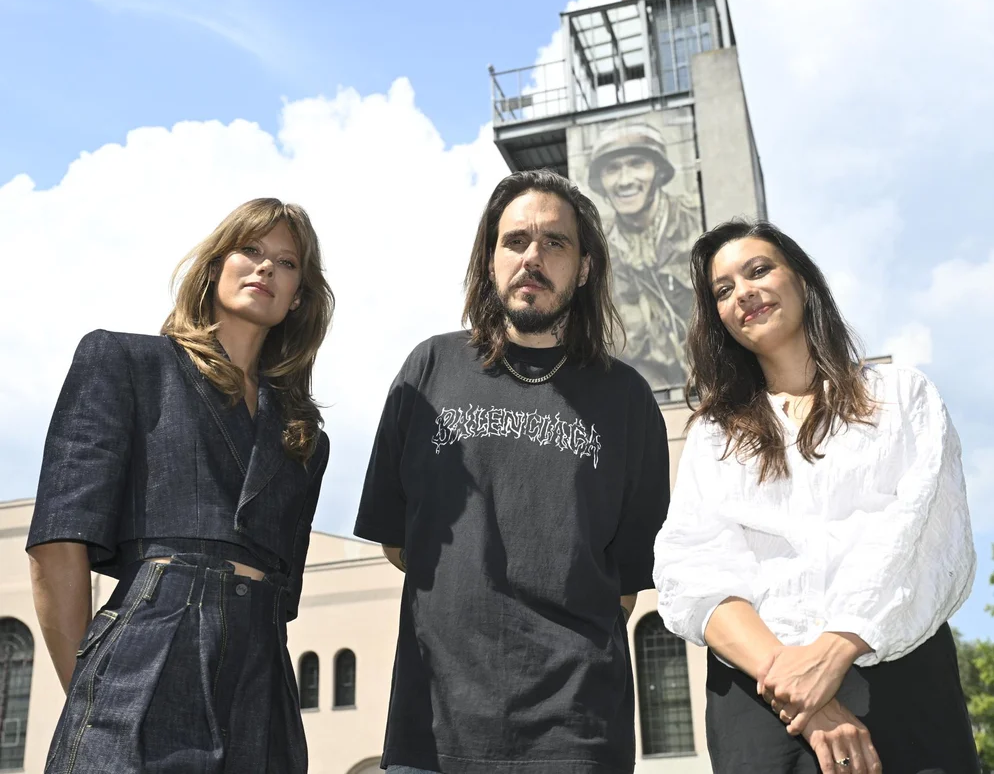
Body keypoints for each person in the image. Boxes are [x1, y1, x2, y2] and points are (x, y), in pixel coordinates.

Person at [354, 169, 670, 774]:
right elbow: (399, 540)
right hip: (433, 725)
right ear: (490, 260)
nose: (533, 257)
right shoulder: (429, 369)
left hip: (577, 732)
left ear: (584, 267)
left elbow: (627, 581)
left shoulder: (627, 399)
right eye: (515, 240)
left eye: (555, 242)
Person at [653, 219, 979, 774]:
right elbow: (694, 569)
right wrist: (801, 690)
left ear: (803, 281)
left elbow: (921, 535)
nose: (743, 293)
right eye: (724, 290)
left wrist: (832, 653)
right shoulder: (715, 435)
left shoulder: (901, 396)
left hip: (898, 678)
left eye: (758, 270)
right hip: (760, 701)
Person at [26, 198, 334, 773]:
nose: (266, 267)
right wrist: (93, 697)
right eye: (250, 249)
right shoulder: (125, 361)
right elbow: (58, 543)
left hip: (263, 682)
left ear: (298, 297)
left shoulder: (304, 439)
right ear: (215, 266)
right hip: (143, 655)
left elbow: (283, 597)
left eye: (287, 262)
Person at [587, 122, 702, 390]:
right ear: (601, 182)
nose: (625, 180)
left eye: (637, 164)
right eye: (612, 169)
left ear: (658, 171)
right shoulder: (594, 248)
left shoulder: (694, 219)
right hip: (643, 389)